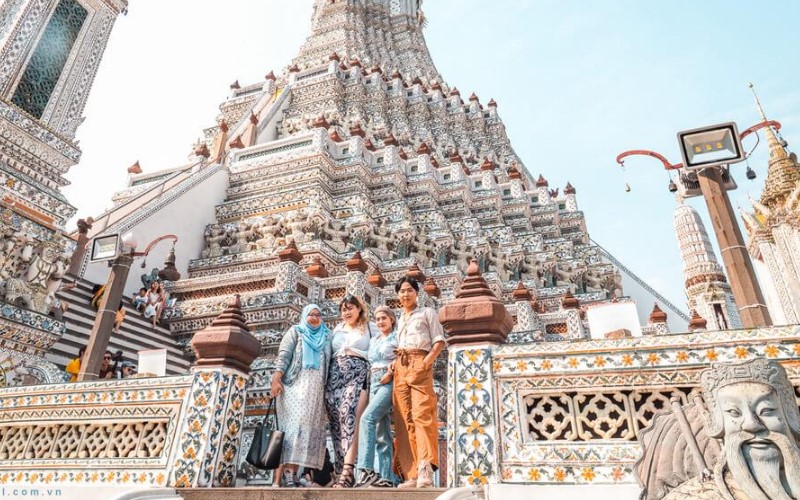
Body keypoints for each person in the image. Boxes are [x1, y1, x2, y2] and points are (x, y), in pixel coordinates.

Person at [392, 276, 446, 488]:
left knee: (422, 415)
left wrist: (425, 364)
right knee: (404, 420)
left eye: (409, 290)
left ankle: (425, 468)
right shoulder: (401, 318)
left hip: (419, 362)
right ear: (397, 295)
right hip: (400, 365)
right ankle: (411, 474)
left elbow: (439, 342)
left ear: (416, 293)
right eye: (402, 291)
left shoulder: (427, 313)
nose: (405, 294)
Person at [271, 304, 332, 488]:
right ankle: (287, 475)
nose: (314, 318)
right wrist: (276, 378)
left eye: (317, 315)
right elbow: (284, 355)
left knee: (305, 431)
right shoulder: (296, 332)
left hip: (315, 391)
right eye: (310, 315)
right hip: (294, 387)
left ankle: (296, 474)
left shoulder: (326, 336)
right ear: (304, 316)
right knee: (292, 429)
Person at [325, 294, 372, 488]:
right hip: (335, 374)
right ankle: (338, 470)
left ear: (359, 309)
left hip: (358, 372)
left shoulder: (370, 327)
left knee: (349, 416)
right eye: (344, 309)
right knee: (336, 421)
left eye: (350, 308)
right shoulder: (337, 329)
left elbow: (380, 347)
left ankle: (348, 470)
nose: (347, 312)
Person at [355, 305, 398, 488]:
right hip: (374, 381)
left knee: (367, 419)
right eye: (378, 319)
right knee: (382, 430)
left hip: (388, 381)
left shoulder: (398, 337)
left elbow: (403, 355)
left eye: (384, 318)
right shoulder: (374, 340)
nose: (380, 322)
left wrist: (394, 365)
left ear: (392, 320)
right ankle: (387, 476)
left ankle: (366, 469)